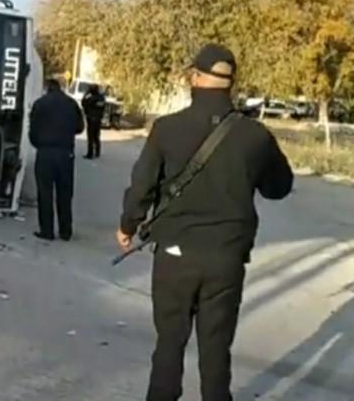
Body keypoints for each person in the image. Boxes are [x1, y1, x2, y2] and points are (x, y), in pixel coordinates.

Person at [115, 43, 294, 401]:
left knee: (169, 343)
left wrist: (128, 226)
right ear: (231, 83)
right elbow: (279, 187)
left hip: (175, 253)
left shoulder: (167, 129)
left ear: (194, 77)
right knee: (216, 350)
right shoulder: (254, 135)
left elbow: (142, 185)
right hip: (226, 258)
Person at [29, 77, 85, 241]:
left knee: (45, 192)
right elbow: (80, 127)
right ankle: (65, 231)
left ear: (47, 88)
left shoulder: (40, 104)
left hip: (45, 152)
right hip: (65, 153)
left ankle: (47, 231)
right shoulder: (71, 103)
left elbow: (32, 130)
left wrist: (39, 143)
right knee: (65, 193)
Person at [81, 83, 106, 159]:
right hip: (98, 119)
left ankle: (90, 153)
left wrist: (86, 93)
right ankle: (97, 152)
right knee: (96, 136)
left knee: (91, 137)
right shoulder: (102, 98)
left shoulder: (91, 98)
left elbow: (83, 103)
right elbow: (103, 107)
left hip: (91, 119)